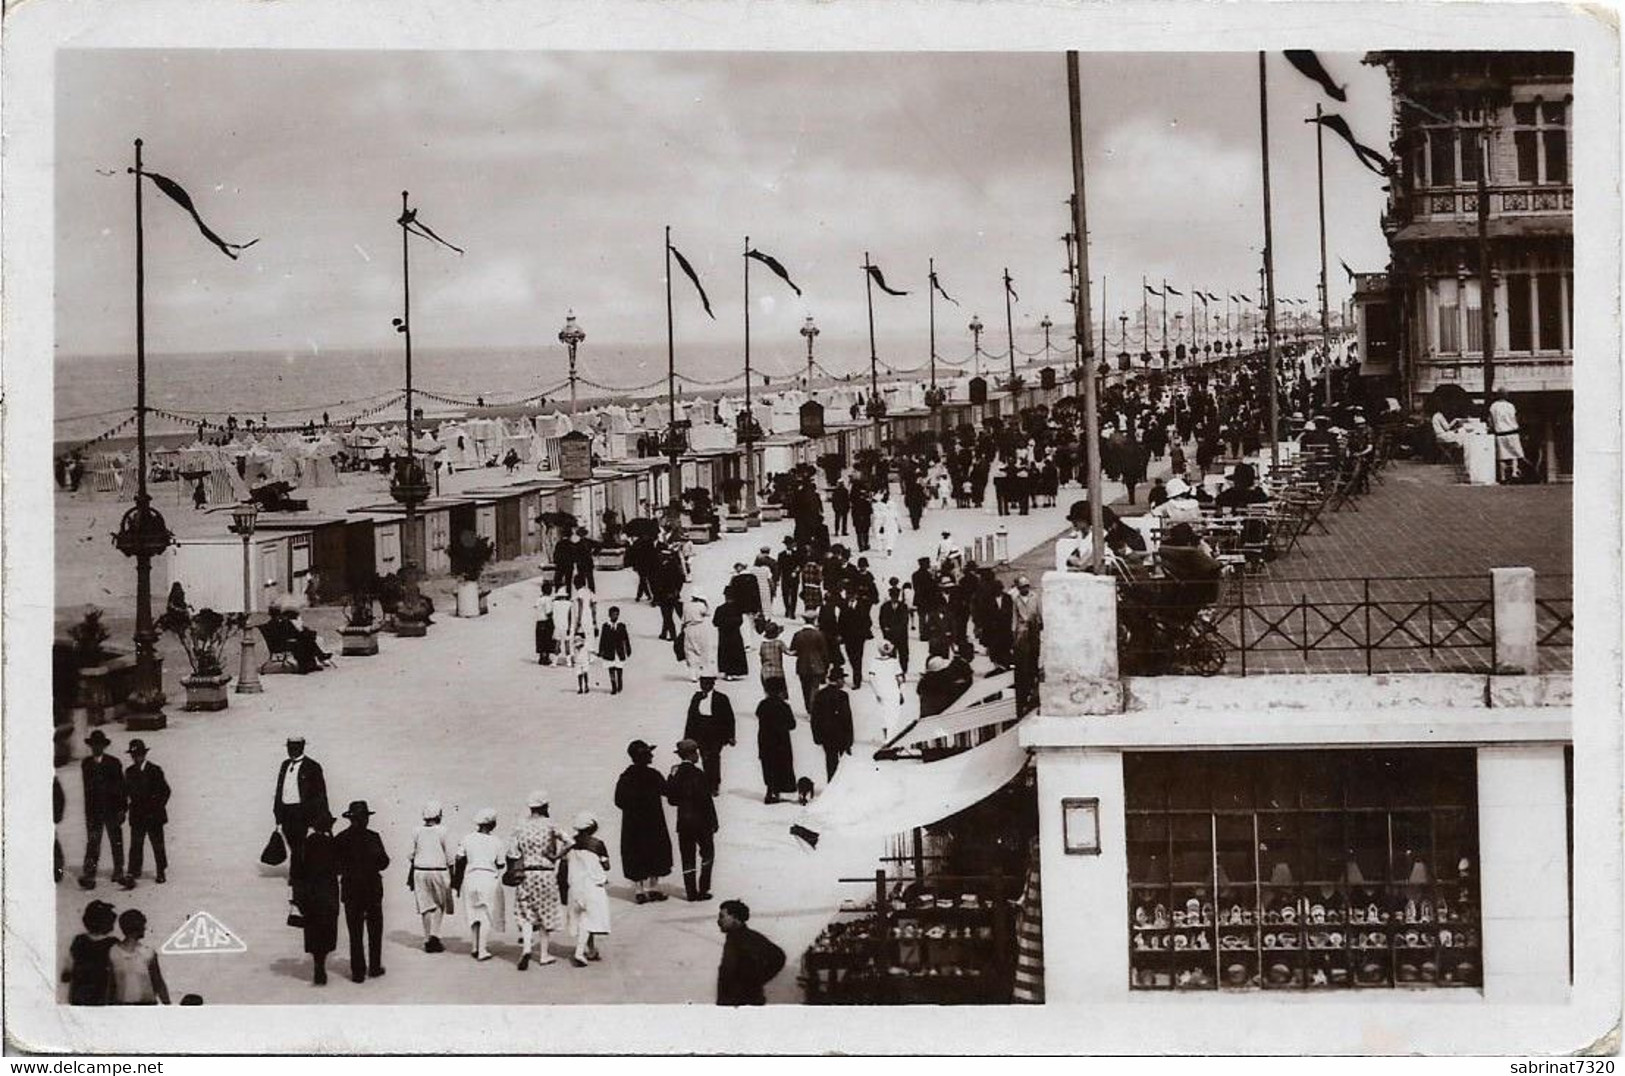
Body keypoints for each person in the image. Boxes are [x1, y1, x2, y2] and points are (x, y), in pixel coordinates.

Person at [507, 790, 567, 969]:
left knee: (526, 914)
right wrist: (556, 856)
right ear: (545, 806)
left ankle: (526, 948)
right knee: (545, 914)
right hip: (546, 873)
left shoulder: (520, 826)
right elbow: (570, 841)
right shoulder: (550, 824)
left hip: (526, 874)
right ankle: (543, 954)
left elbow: (512, 852)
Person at [333, 800, 390, 983]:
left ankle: (358, 971)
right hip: (372, 888)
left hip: (351, 889)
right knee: (375, 929)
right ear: (365, 819)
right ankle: (374, 967)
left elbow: (336, 867)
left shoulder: (341, 838)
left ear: (350, 819)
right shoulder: (373, 837)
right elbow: (384, 862)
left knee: (355, 932)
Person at [613, 740, 673, 904]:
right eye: (649, 753)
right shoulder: (653, 775)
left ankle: (639, 890)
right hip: (653, 822)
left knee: (635, 853)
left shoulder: (626, 777)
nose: (652, 755)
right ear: (644, 756)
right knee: (656, 850)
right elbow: (668, 791)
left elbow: (618, 801)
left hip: (633, 824)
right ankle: (653, 888)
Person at [274, 736, 329, 894]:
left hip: (302, 812)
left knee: (300, 845)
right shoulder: (285, 765)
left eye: (296, 747)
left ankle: (297, 876)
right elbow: (279, 789)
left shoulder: (313, 766)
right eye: (290, 747)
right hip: (286, 811)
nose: (292, 750)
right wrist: (277, 813)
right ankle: (299, 872)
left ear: (302, 747)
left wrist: (320, 816)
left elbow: (320, 793)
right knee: (293, 843)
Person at [666, 739, 718, 902]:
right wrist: (713, 821)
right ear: (691, 754)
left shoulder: (676, 774)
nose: (698, 756)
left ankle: (690, 892)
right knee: (707, 854)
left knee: (687, 856)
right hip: (702, 822)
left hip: (684, 822)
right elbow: (706, 800)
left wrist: (671, 777)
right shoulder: (698, 774)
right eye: (696, 752)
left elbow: (672, 800)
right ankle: (703, 889)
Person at [454, 808, 507, 962]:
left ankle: (475, 946)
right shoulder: (497, 841)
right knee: (486, 914)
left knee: (473, 913)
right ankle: (482, 949)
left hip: (470, 878)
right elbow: (501, 863)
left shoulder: (467, 838)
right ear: (492, 824)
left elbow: (459, 859)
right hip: (488, 878)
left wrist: (456, 884)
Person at [294, 809, 340, 985]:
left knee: (313, 930)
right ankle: (322, 963)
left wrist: (297, 897)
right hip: (328, 893)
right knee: (327, 930)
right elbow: (339, 868)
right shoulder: (332, 844)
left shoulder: (304, 844)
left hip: (309, 894)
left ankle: (317, 963)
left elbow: (296, 872)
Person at [560, 813, 612, 967]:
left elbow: (562, 869)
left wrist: (563, 892)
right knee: (589, 920)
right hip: (592, 886)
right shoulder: (597, 844)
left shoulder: (569, 844)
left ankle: (591, 950)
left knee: (583, 918)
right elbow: (606, 866)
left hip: (575, 887)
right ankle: (579, 952)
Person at [79, 729, 127, 890]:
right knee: (93, 843)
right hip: (94, 812)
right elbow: (88, 791)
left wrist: (122, 809)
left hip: (112, 810)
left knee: (116, 841)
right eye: (94, 745)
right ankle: (89, 873)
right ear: (91, 746)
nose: (96, 748)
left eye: (99, 745)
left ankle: (118, 870)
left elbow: (122, 788)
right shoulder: (86, 764)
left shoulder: (114, 763)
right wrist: (88, 813)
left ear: (103, 746)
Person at [715, 900, 787, 1006]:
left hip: (746, 1003)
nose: (719, 921)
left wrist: (755, 981)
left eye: (722, 916)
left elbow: (778, 957)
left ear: (734, 917)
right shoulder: (733, 939)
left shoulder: (749, 938)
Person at [408, 800, 455, 953]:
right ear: (438, 815)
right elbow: (449, 856)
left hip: (419, 870)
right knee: (440, 903)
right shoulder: (443, 831)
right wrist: (453, 875)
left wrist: (410, 876)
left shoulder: (416, 831)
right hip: (438, 870)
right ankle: (435, 935)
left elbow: (412, 855)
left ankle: (427, 937)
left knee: (425, 905)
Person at [123, 739, 169, 886]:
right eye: (133, 755)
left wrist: (157, 806)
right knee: (136, 844)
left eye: (138, 755)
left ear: (144, 755)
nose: (136, 758)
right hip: (137, 815)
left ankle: (161, 871)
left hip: (154, 815)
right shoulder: (129, 772)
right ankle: (134, 871)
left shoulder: (155, 770)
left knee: (157, 844)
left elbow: (165, 791)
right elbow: (126, 792)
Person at [684, 677, 736, 795]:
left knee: (714, 756)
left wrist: (731, 735)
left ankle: (714, 784)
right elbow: (691, 717)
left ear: (712, 684)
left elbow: (729, 718)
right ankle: (707, 782)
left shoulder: (721, 698)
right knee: (704, 757)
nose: (704, 686)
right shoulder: (697, 697)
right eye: (702, 683)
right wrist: (688, 736)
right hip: (701, 732)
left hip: (716, 732)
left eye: (707, 684)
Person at [109, 909, 170, 1005]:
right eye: (143, 925)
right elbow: (158, 983)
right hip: (142, 1007)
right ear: (138, 927)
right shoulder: (148, 953)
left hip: (123, 1007)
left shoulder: (113, 952)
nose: (145, 928)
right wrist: (168, 1006)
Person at [64, 899, 119, 1004]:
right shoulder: (112, 943)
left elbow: (68, 968)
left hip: (80, 992)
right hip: (103, 992)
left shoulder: (79, 940)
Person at [755, 681, 798, 804]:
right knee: (781, 766)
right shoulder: (784, 706)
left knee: (768, 766)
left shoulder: (762, 705)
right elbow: (792, 724)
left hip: (765, 741)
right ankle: (778, 790)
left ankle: (771, 790)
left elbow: (758, 715)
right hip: (781, 742)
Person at [809, 667, 855, 781]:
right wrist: (849, 739)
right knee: (844, 764)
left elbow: (815, 717)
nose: (844, 682)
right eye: (842, 679)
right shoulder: (842, 695)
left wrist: (816, 736)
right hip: (841, 735)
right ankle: (841, 785)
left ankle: (831, 784)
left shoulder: (820, 695)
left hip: (826, 736)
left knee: (830, 761)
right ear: (838, 680)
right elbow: (846, 718)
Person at [1010, 576, 1044, 717]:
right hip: (1022, 628)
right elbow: (1015, 617)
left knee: (1034, 653)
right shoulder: (1016, 600)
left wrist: (1041, 623)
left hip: (1033, 627)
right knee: (1024, 655)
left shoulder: (1034, 597)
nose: (1025, 589)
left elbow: (1039, 612)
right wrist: (1014, 632)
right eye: (1022, 587)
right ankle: (1027, 677)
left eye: (1026, 586)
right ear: (1018, 588)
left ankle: (1034, 675)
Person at [788, 612, 830, 716]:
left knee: (805, 689)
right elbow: (824, 652)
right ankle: (813, 709)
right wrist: (826, 665)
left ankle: (808, 708)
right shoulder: (819, 634)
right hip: (817, 665)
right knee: (814, 688)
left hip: (802, 665)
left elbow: (793, 650)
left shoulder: (798, 634)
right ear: (814, 620)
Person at [866, 641, 906, 745]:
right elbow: (900, 679)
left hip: (881, 691)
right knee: (893, 714)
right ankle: (891, 737)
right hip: (893, 691)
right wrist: (901, 692)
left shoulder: (874, 662)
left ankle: (887, 737)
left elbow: (871, 679)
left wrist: (877, 692)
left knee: (883, 714)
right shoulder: (894, 662)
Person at [1488, 389, 1525, 483]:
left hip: (1500, 433)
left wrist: (1492, 428)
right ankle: (1514, 472)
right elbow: (1515, 417)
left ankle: (1503, 476)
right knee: (1514, 454)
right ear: (1506, 395)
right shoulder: (1511, 406)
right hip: (1512, 432)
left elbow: (1490, 420)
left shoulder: (1493, 406)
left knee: (1502, 455)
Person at [596, 606, 631, 695]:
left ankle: (620, 684)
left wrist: (628, 649)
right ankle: (613, 687)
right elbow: (602, 639)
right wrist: (601, 650)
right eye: (612, 614)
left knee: (619, 670)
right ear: (609, 615)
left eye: (616, 614)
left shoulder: (621, 626)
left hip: (619, 652)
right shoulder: (606, 626)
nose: (614, 616)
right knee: (611, 669)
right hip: (609, 651)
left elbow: (626, 638)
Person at [878, 586, 911, 676]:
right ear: (890, 596)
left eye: (896, 596)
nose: (894, 598)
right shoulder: (885, 606)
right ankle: (891, 672)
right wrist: (885, 629)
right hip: (889, 635)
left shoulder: (903, 606)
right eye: (893, 596)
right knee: (890, 655)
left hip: (901, 635)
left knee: (903, 654)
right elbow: (882, 620)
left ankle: (902, 671)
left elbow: (904, 620)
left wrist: (896, 630)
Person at [714, 599, 748, 681]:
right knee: (735, 652)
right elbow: (740, 621)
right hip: (735, 634)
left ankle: (727, 671)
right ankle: (735, 671)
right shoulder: (737, 609)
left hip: (724, 634)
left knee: (725, 653)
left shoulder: (720, 608)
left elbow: (715, 622)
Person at [758, 620, 789, 700]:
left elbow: (762, 658)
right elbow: (789, 652)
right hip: (777, 672)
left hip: (766, 672)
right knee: (779, 695)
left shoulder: (763, 645)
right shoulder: (779, 643)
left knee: (769, 694)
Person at [535, 583, 557, 665]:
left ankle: (541, 656)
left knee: (540, 639)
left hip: (539, 621)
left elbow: (536, 606)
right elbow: (548, 612)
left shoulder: (539, 599)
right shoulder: (548, 600)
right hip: (546, 621)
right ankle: (546, 657)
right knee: (547, 639)